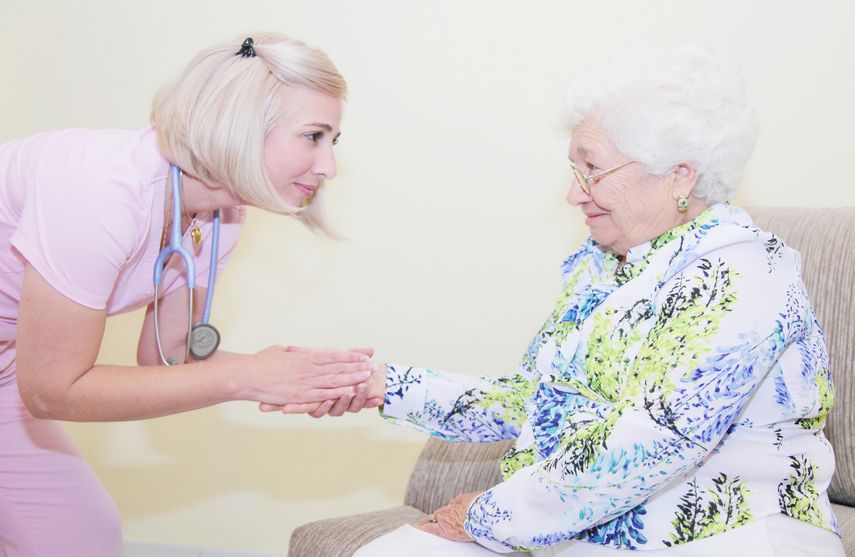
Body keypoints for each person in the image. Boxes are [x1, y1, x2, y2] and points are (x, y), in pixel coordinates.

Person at [290, 46, 845, 556]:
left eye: (593, 169)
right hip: (590, 525)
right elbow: (534, 403)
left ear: (678, 175)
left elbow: (654, 438)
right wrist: (381, 384)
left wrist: (486, 515)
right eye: (574, 169)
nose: (574, 192)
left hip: (729, 535)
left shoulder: (747, 271)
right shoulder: (606, 266)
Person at [0, 33, 380, 556]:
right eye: (312, 136)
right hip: (29, 377)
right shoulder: (100, 190)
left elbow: (168, 354)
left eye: (332, 141)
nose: (328, 167)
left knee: (77, 540)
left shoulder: (219, 214)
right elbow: (51, 390)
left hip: (9, 367)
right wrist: (249, 378)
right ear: (241, 125)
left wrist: (303, 379)